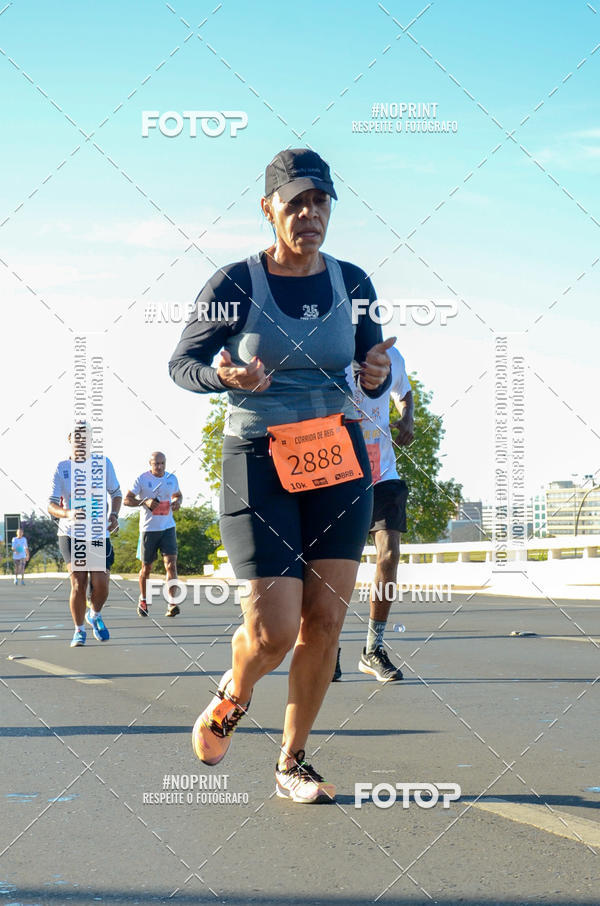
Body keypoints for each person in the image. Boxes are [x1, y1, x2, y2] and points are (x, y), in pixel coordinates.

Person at [169, 148, 393, 803]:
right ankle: (234, 693)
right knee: (272, 633)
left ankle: (292, 762)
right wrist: (223, 377)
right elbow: (182, 364)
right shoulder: (234, 284)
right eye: (295, 202)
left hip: (335, 455)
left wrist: (373, 375)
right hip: (258, 459)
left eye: (320, 202)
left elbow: (368, 364)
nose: (309, 214)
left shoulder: (354, 284)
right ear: (268, 208)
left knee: (324, 622)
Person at [332, 346, 414, 683]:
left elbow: (404, 391)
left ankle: (373, 648)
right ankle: (327, 646)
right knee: (333, 567)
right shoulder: (331, 350)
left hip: (383, 473)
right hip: (337, 472)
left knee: (389, 554)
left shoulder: (392, 357)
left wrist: (407, 416)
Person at [48, 425, 122, 647]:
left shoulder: (103, 463)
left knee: (101, 583)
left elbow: (116, 493)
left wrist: (114, 515)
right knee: (79, 582)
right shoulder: (62, 468)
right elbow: (51, 505)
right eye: (77, 439)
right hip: (72, 532)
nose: (81, 442)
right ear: (69, 441)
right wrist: (68, 513)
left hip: (98, 532)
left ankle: (95, 614)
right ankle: (78, 630)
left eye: (86, 439)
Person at [123, 452, 182, 618]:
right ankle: (143, 599)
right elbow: (127, 500)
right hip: (148, 530)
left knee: (171, 565)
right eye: (156, 464)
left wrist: (178, 502)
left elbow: (178, 494)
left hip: (168, 528)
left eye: (162, 463)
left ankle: (172, 603)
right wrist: (144, 501)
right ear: (150, 464)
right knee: (146, 568)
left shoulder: (172, 478)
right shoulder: (141, 479)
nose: (160, 467)